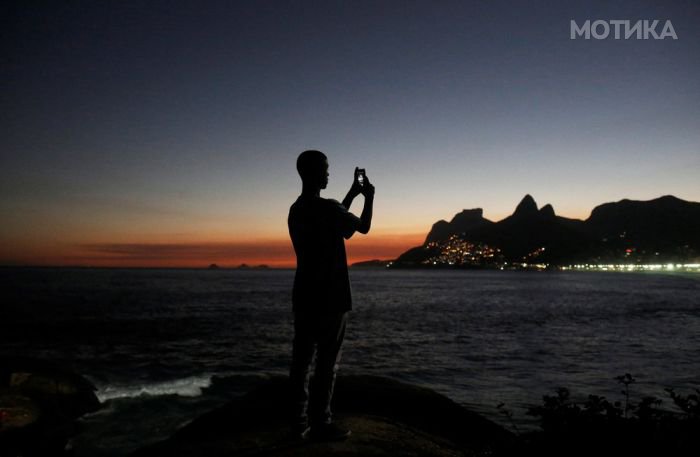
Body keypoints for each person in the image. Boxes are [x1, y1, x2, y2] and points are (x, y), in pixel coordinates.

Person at [287, 150, 374, 441]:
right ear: (311, 173)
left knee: (300, 363)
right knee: (326, 365)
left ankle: (296, 424)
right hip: (332, 297)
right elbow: (361, 227)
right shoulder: (326, 209)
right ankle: (321, 423)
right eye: (324, 170)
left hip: (304, 295)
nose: (327, 174)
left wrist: (351, 193)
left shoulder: (297, 210)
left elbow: (337, 217)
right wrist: (368, 196)